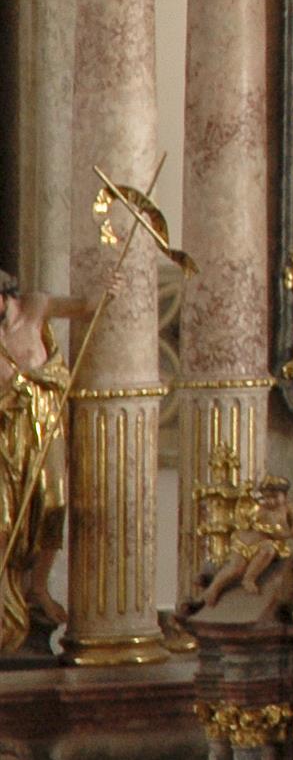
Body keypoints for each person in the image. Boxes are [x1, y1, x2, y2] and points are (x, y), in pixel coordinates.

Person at [0, 269, 116, 651]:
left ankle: (38, 587)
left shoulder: (36, 307)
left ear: (7, 296)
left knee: (52, 503)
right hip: (5, 436)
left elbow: (84, 308)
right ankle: (5, 597)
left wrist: (106, 289)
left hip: (44, 429)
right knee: (5, 516)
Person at [196, 477, 293, 605]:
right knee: (235, 568)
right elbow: (248, 525)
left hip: (265, 544)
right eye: (266, 497)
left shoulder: (288, 509)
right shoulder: (259, 509)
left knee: (268, 551)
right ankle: (214, 588)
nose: (271, 501)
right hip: (244, 544)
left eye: (275, 497)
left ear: (285, 496)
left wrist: (290, 530)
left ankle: (249, 577)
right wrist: (275, 530)